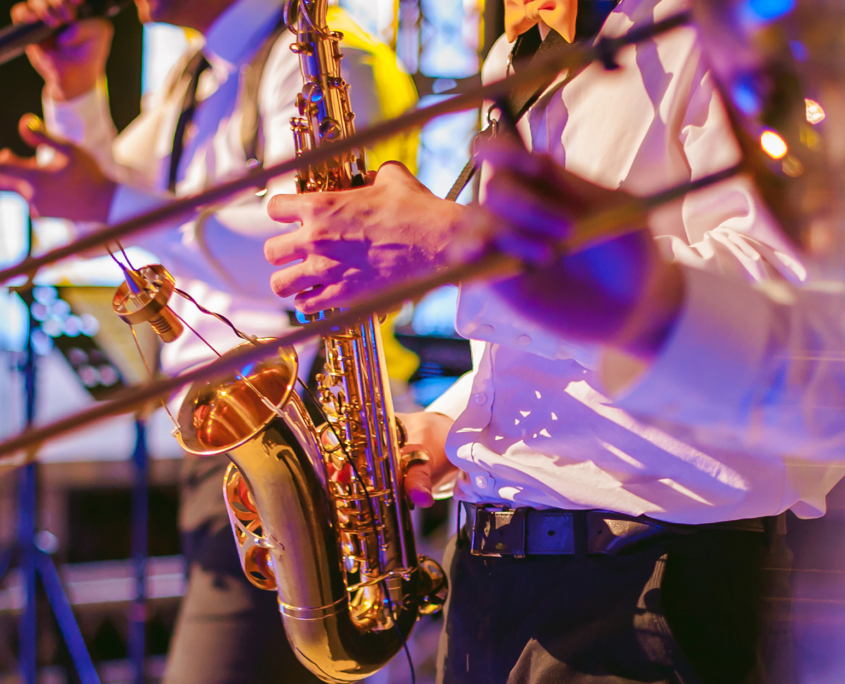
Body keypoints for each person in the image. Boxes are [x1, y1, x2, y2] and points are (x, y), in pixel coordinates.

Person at [260, 0, 845, 682]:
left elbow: (793, 313)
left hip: (648, 582)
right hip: (489, 577)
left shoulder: (722, 27)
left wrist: (455, 245)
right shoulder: (513, 56)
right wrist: (451, 424)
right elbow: (538, 335)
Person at [0, 0, 417, 682]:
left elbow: (304, 257)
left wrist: (108, 204)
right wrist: (75, 88)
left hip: (312, 429)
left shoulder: (328, 60)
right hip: (234, 441)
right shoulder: (197, 73)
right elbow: (98, 226)